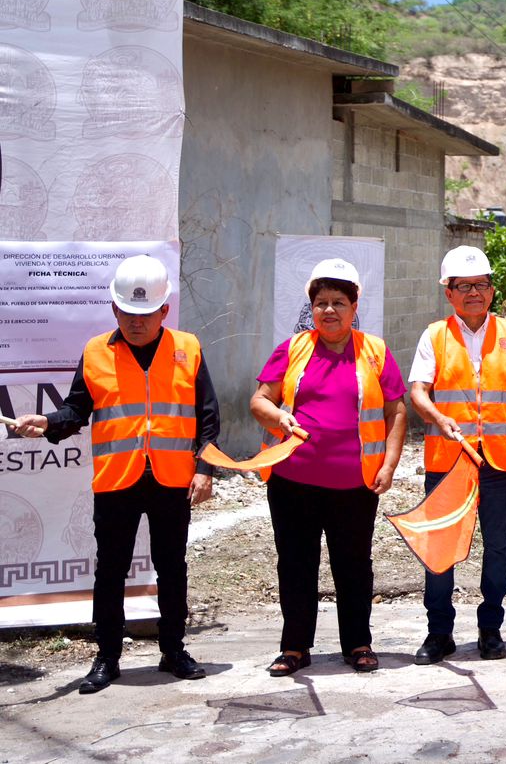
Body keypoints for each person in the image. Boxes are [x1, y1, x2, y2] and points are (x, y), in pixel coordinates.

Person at [13, 255, 219, 694]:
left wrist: (203, 469)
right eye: (128, 312)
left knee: (172, 569)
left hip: (171, 480)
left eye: (146, 314)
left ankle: (173, 650)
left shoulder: (189, 348)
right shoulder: (95, 353)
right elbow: (76, 410)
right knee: (110, 571)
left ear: (164, 311)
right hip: (117, 480)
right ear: (114, 309)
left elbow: (207, 418)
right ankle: (107, 658)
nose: (136, 322)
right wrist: (48, 423)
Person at [249, 258, 407, 676]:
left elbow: (396, 411)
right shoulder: (292, 349)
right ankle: (294, 647)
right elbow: (260, 401)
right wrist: (278, 418)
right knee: (296, 563)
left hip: (355, 484)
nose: (329, 310)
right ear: (311, 308)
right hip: (292, 482)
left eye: (339, 302)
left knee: (354, 565)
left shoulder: (375, 352)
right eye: (321, 303)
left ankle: (358, 643)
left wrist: (389, 463)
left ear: (355, 307)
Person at [409, 245, 506, 665]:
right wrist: (438, 417)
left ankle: (490, 629)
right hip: (448, 461)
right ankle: (438, 632)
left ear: (492, 290)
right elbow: (418, 393)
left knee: (498, 546)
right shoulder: (434, 335)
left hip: (500, 460)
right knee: (440, 547)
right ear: (449, 293)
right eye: (464, 286)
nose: (473, 293)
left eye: (481, 284)